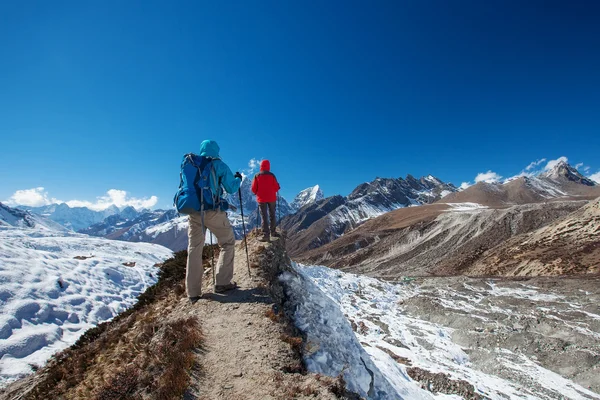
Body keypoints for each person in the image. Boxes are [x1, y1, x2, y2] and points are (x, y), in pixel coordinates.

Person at [186, 139, 242, 303]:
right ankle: (222, 283)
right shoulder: (219, 165)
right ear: (216, 150)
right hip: (213, 211)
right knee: (227, 242)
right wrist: (238, 178)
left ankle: (193, 292)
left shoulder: (192, 164)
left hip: (194, 212)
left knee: (194, 249)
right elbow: (231, 187)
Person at [251, 159, 281, 242]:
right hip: (272, 198)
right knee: (272, 215)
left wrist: (258, 192)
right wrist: (277, 187)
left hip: (261, 199)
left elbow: (253, 189)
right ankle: (273, 232)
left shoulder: (257, 176)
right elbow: (276, 188)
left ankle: (265, 235)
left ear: (261, 166)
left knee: (264, 216)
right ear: (269, 166)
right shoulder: (272, 175)